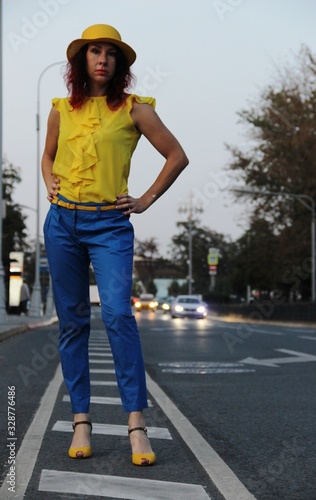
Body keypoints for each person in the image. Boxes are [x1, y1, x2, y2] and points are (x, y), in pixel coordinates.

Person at [41, 24, 188, 465]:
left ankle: (137, 427)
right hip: (62, 223)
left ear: (119, 63)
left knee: (120, 316)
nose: (102, 59)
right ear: (81, 60)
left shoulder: (135, 110)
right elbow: (47, 156)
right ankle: (81, 420)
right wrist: (49, 181)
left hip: (110, 227)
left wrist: (144, 199)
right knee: (72, 323)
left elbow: (177, 155)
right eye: (94, 52)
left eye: (110, 53)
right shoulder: (60, 110)